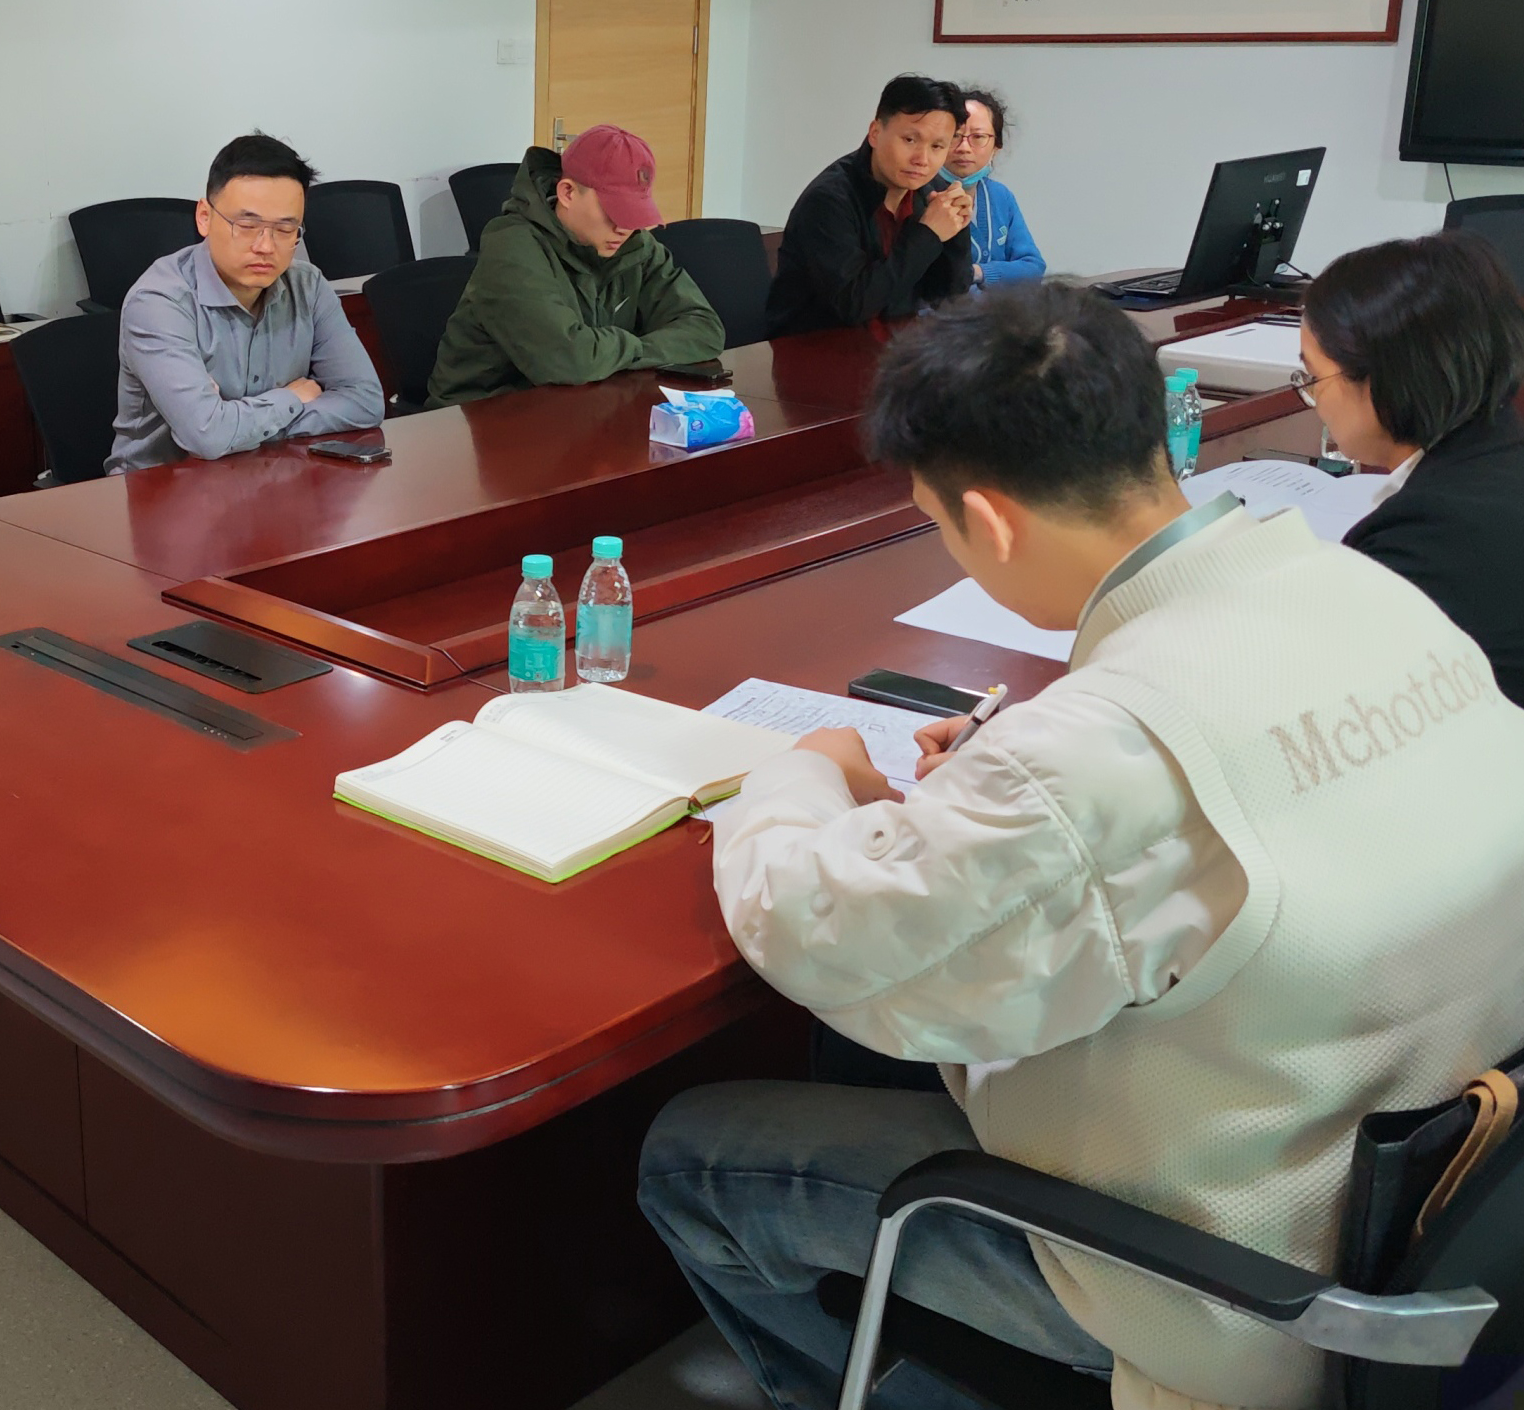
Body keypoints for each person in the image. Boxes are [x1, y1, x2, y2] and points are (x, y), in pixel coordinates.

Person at [639, 282, 1524, 1410]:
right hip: (1423, 1201)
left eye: (939, 523)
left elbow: (822, 933)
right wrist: (1010, 776)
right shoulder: (1359, 589)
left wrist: (804, 772)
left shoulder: (1097, 751)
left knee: (693, 1155)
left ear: (991, 520)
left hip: (1227, 1284)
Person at [1297, 230, 1524, 704]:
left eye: (1314, 377)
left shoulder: (1421, 538)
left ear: (1384, 380)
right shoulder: (1501, 452)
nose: (1312, 397)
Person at [107, 133, 384, 473]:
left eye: (285, 229)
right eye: (248, 225)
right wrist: (292, 398)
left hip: (270, 476)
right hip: (162, 487)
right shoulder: (159, 301)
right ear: (204, 217)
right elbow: (207, 435)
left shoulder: (308, 287)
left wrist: (236, 425)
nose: (265, 246)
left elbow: (365, 401)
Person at [425, 124, 724, 406]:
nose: (624, 228)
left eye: (634, 214)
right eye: (615, 211)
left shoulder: (636, 245)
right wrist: (636, 349)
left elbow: (705, 329)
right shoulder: (511, 245)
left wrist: (615, 353)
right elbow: (568, 360)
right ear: (567, 192)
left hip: (580, 403)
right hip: (481, 415)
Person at [764, 75, 974, 339]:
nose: (922, 159)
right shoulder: (828, 200)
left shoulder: (931, 192)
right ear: (875, 133)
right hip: (816, 350)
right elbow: (853, 304)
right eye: (910, 140)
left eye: (937, 146)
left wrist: (956, 230)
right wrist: (928, 234)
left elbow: (949, 297)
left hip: (894, 350)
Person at [944, 87, 1044, 288]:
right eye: (954, 136)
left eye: (978, 137)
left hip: (1004, 308)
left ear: (996, 147)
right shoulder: (920, 199)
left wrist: (978, 273)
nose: (964, 148)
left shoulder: (1000, 196)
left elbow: (1033, 268)